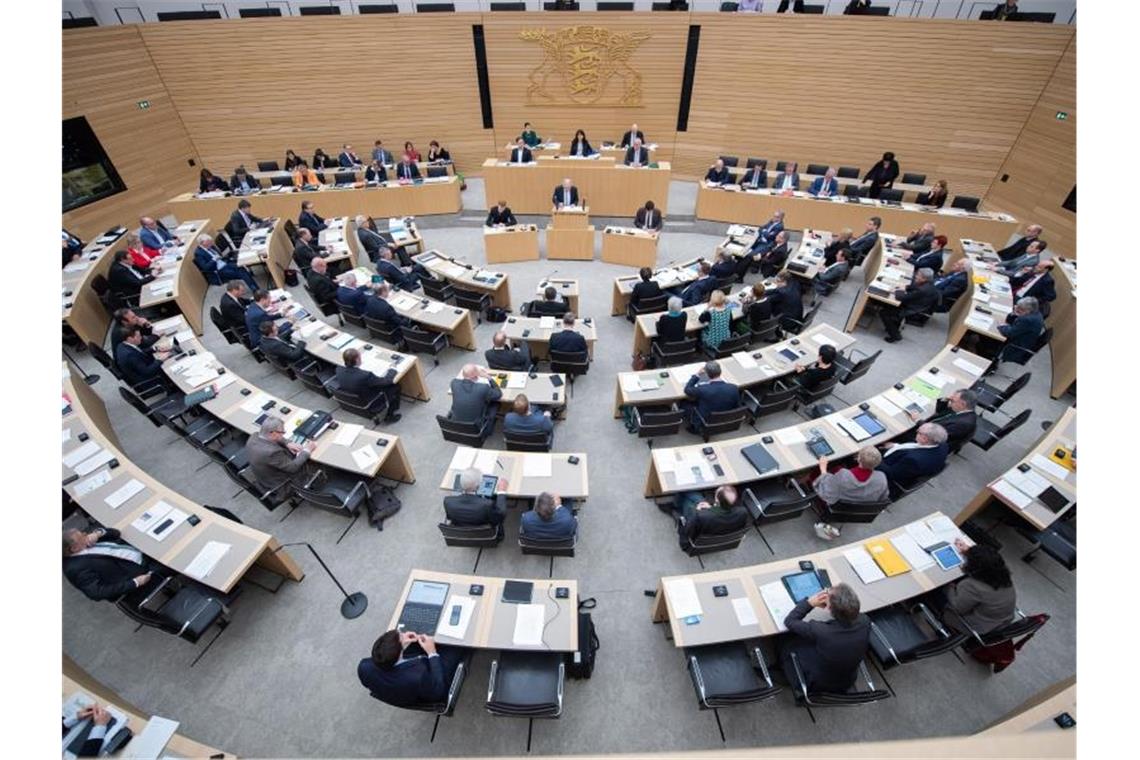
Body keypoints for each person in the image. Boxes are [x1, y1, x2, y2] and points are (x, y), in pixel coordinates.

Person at [780, 583, 870, 693]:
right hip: (846, 681)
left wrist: (810, 603)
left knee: (786, 641)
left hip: (817, 684)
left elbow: (790, 621)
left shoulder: (821, 631)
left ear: (828, 608)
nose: (825, 594)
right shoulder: (864, 620)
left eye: (827, 593)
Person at [357, 630, 466, 709]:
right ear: (399, 655)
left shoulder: (364, 667)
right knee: (457, 644)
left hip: (401, 686)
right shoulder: (418, 676)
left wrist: (403, 643)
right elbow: (438, 690)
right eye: (402, 636)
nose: (404, 634)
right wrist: (432, 653)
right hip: (434, 681)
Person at [811, 449, 890, 540]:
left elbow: (827, 492)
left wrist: (823, 468)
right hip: (860, 511)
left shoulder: (844, 475)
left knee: (816, 475)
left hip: (836, 507)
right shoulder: (881, 477)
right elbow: (883, 498)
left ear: (858, 458)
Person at [62, 527, 157, 602]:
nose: (85, 534)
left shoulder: (86, 542)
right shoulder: (75, 568)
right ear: (74, 548)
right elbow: (96, 593)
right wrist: (135, 582)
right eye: (81, 536)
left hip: (138, 546)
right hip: (142, 568)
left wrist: (97, 534)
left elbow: (116, 532)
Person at [939, 542, 1017, 633]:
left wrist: (949, 586)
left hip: (973, 626)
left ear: (974, 568)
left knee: (937, 590)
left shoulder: (972, 586)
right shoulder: (1003, 577)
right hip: (999, 621)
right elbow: (987, 561)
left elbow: (956, 608)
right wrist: (971, 552)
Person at [245, 416, 315, 499]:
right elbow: (293, 468)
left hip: (267, 477)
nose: (283, 434)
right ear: (273, 433)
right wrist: (307, 450)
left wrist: (287, 443)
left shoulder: (255, 436)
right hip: (283, 484)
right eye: (282, 432)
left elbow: (274, 438)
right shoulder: (271, 452)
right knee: (314, 462)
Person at [336, 347, 402, 423]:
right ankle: (389, 416)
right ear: (357, 360)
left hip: (352, 398)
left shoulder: (338, 368)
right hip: (370, 400)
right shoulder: (365, 375)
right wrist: (392, 370)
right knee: (395, 386)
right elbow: (386, 381)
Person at [673, 486, 747, 552]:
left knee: (686, 499)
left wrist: (697, 511)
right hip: (716, 537)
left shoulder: (699, 516)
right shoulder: (742, 512)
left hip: (695, 540)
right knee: (696, 497)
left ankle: (676, 505)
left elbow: (687, 530)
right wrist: (711, 508)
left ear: (717, 501)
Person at [878, 422, 950, 489]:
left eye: (918, 432)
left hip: (888, 475)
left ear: (925, 439)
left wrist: (874, 457)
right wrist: (895, 446)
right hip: (904, 463)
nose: (916, 431)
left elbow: (891, 473)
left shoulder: (913, 460)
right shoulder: (943, 445)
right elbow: (914, 447)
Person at [905, 389, 978, 452]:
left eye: (953, 401)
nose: (951, 401)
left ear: (963, 404)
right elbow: (940, 412)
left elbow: (933, 434)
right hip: (930, 426)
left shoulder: (962, 424)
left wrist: (917, 420)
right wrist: (946, 400)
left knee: (901, 432)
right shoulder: (963, 410)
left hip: (927, 442)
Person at [880, 267, 940, 343]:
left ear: (924, 279)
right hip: (918, 304)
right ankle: (894, 325)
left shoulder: (922, 290)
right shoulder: (929, 283)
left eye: (918, 275)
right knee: (888, 305)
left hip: (913, 309)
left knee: (884, 313)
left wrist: (897, 290)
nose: (916, 276)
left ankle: (895, 335)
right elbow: (915, 286)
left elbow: (901, 297)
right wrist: (905, 287)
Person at [682, 360, 741, 431]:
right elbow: (737, 406)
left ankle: (695, 427)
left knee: (683, 403)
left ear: (706, 374)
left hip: (706, 420)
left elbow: (687, 389)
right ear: (720, 372)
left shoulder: (703, 389)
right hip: (725, 418)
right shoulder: (733, 388)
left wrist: (697, 375)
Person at [449, 364, 502, 433]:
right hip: (476, 426)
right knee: (496, 404)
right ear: (476, 375)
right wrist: (489, 378)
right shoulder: (483, 388)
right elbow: (498, 394)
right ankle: (488, 429)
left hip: (457, 424)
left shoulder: (454, 383)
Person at [997, 296, 1044, 364]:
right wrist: (1014, 313)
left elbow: (1009, 333)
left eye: (1020, 309)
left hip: (1014, 346)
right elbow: (1013, 324)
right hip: (1023, 341)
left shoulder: (1027, 320)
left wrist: (1000, 326)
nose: (1017, 309)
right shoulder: (1036, 313)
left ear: (1028, 310)